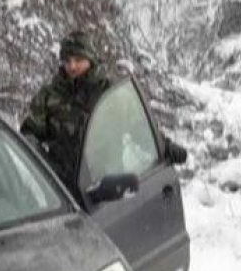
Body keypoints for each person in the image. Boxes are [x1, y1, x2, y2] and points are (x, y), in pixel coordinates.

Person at [21, 30, 187, 192]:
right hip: (61, 192)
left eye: (78, 59)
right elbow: (29, 134)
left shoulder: (112, 94)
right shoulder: (49, 95)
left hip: (106, 190)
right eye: (67, 60)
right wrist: (46, 166)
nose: (72, 66)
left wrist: (164, 147)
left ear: (90, 59)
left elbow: (140, 127)